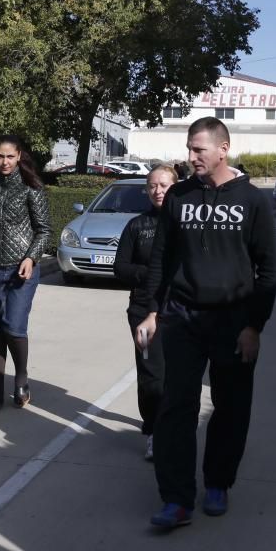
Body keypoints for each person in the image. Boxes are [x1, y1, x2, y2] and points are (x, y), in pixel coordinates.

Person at [136, 117, 276, 528]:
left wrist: (255, 326)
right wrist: (151, 311)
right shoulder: (178, 196)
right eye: (189, 148)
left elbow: (267, 270)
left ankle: (217, 482)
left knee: (231, 407)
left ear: (223, 149)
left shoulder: (252, 201)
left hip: (234, 321)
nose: (191, 156)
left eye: (199, 149)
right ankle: (177, 499)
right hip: (183, 317)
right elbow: (161, 258)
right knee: (175, 406)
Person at [0, 136, 52, 414]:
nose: (4, 162)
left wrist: (31, 257)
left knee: (14, 326)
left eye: (9, 156)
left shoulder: (33, 186)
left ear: (19, 156)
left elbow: (44, 230)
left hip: (21, 268)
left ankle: (21, 378)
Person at [113, 165, 179, 461]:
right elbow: (120, 268)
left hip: (178, 308)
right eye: (152, 186)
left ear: (175, 187)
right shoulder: (138, 226)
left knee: (174, 373)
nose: (158, 191)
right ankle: (153, 431)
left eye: (164, 185)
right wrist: (151, 274)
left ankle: (172, 426)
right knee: (151, 373)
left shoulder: (184, 224)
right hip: (142, 308)